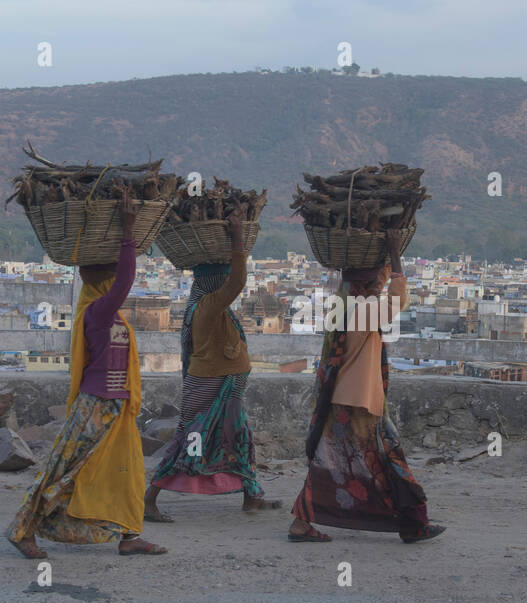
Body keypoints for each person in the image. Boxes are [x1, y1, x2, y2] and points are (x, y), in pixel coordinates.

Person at [6, 192, 166, 558]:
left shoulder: (105, 315)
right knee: (65, 470)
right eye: (110, 276)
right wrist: (127, 231)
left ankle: (129, 536)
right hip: (95, 405)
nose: (115, 284)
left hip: (115, 405)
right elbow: (126, 280)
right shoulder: (97, 312)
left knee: (126, 473)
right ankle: (23, 529)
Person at [288, 229, 444, 543]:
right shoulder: (363, 311)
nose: (380, 286)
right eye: (377, 283)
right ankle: (414, 522)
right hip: (358, 401)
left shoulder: (343, 306)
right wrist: (396, 252)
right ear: (368, 286)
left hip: (342, 398)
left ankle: (302, 522)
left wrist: (383, 255)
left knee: (330, 460)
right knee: (387, 459)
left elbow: (382, 285)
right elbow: (399, 299)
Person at [144, 209, 280, 520]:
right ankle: (149, 498)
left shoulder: (206, 306)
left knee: (238, 437)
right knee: (191, 438)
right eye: (220, 278)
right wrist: (237, 245)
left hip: (223, 382)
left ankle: (251, 494)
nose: (224, 283)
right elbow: (237, 282)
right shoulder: (208, 304)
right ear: (212, 281)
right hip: (212, 383)